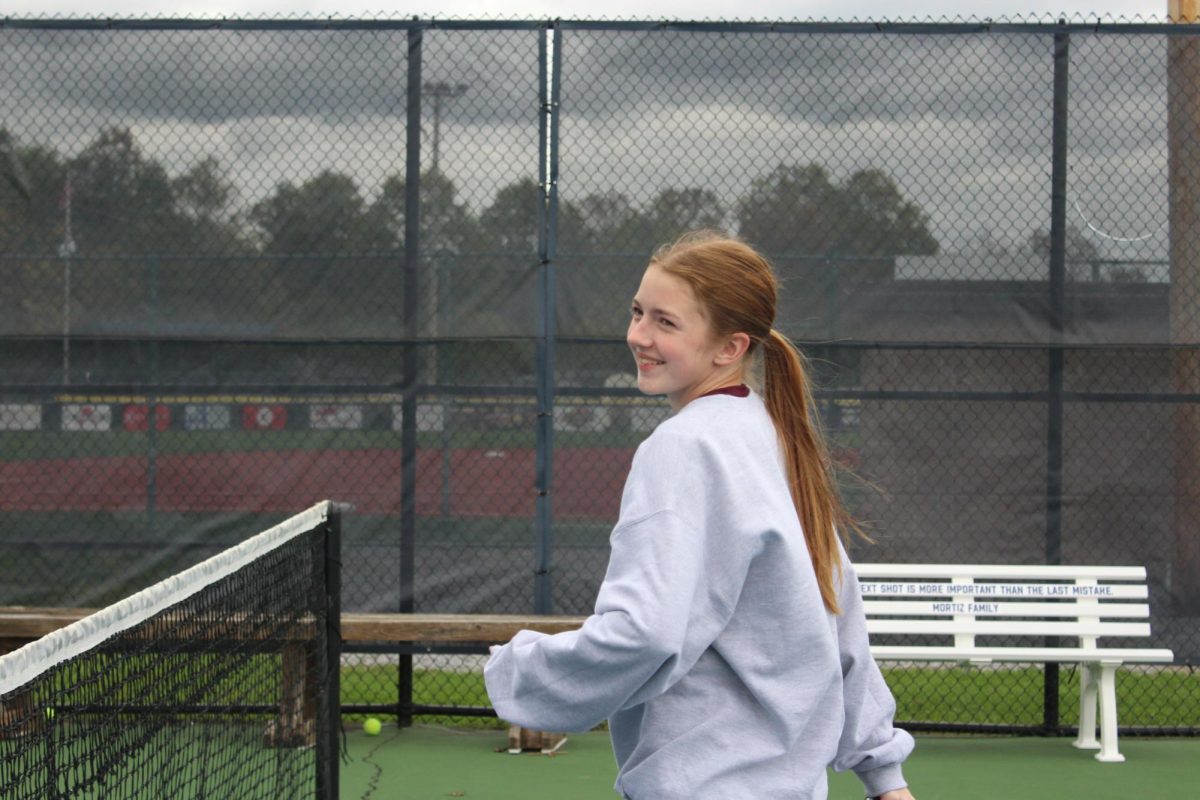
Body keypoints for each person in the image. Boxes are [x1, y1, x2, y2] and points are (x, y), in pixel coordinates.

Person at [484, 230, 916, 800]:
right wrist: (886, 779)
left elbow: (646, 634)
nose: (639, 335)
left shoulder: (682, 449)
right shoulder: (771, 435)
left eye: (666, 322)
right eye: (638, 313)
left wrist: (519, 671)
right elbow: (839, 617)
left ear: (729, 348)